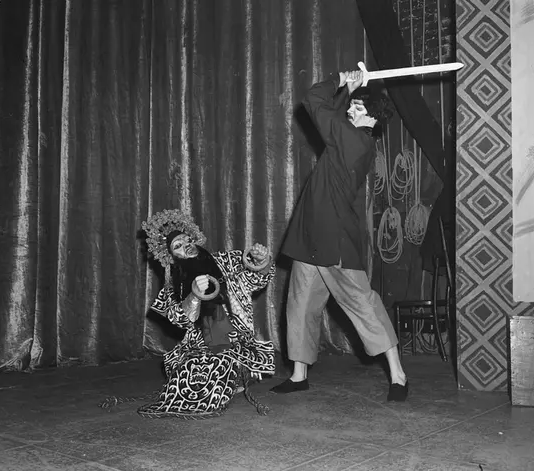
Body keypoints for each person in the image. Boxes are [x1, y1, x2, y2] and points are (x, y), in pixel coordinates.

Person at [272, 69, 409, 401]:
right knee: (301, 305)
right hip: (311, 236)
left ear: (372, 116)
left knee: (363, 303)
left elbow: (313, 100)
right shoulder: (350, 137)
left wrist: (340, 80)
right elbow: (330, 115)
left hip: (334, 238)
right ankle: (299, 375)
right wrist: (349, 91)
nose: (350, 109)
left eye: (356, 107)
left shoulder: (354, 139)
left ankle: (398, 376)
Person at [101, 209, 276, 418]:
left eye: (187, 240)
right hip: (197, 345)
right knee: (191, 368)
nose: (186, 245)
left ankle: (232, 380)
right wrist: (194, 295)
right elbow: (180, 320)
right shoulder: (173, 287)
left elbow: (255, 278)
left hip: (235, 341)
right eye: (178, 246)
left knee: (222, 362)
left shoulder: (226, 262)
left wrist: (261, 260)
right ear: (171, 256)